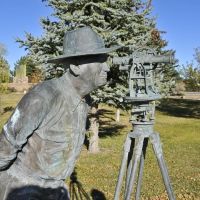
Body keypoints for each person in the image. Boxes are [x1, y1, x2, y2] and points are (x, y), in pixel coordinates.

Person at [0, 26, 120, 199]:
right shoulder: (42, 97)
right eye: (99, 60)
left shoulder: (84, 102)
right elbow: (4, 149)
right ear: (75, 67)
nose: (107, 67)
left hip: (56, 190)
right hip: (24, 190)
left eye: (106, 60)